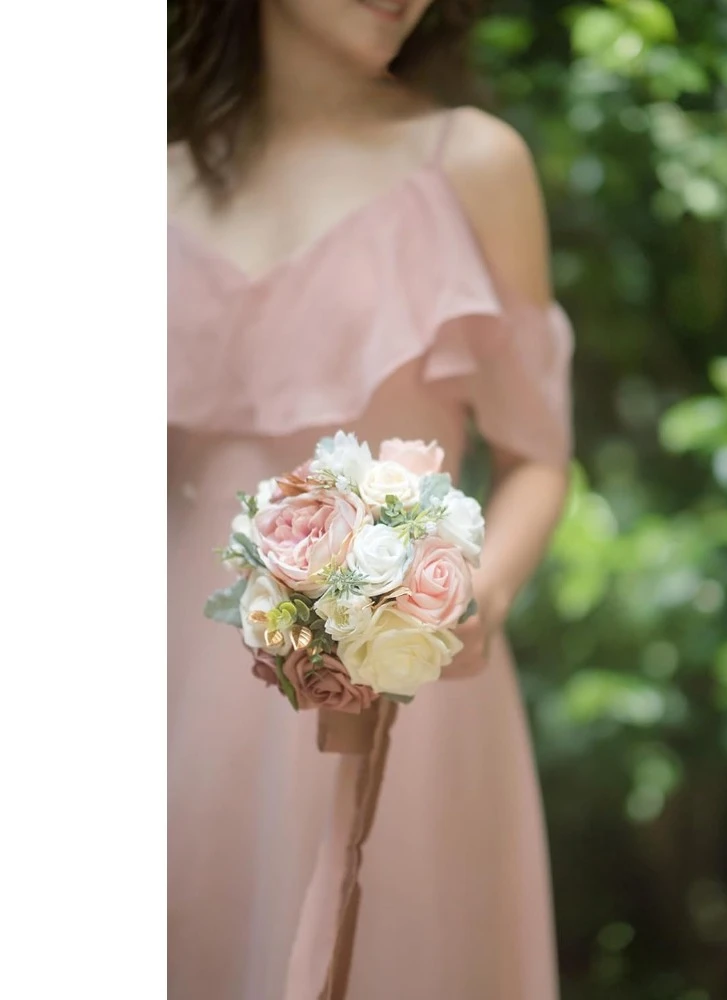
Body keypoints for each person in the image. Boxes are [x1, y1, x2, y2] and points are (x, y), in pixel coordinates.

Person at [168, 1, 574, 997]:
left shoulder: (469, 162)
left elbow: (540, 454)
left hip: (409, 678)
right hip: (170, 680)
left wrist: (482, 595)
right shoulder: (142, 172)